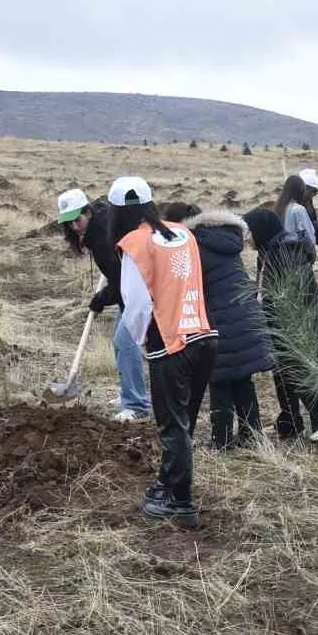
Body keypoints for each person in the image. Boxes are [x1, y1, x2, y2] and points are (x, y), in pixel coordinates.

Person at [108, 177, 219, 525]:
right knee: (182, 424)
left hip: (170, 344)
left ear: (116, 213)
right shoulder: (182, 233)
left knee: (173, 427)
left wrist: (142, 341)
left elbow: (137, 304)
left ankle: (180, 502)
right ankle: (167, 485)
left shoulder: (135, 244)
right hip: (203, 334)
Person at [164, 202, 276, 450]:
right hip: (245, 315)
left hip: (222, 320)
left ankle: (222, 440)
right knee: (242, 378)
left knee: (219, 379)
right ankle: (252, 434)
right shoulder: (223, 237)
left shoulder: (194, 245)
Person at [241, 206, 318, 443]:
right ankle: (290, 422)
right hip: (286, 323)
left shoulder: (284, 254)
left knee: (295, 368)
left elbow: (287, 297)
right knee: (281, 372)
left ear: (262, 230)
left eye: (250, 232)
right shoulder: (273, 250)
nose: (248, 238)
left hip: (296, 323)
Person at [56, 187, 151, 421]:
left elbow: (120, 281)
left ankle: (136, 405)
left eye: (76, 220)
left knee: (125, 341)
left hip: (140, 290)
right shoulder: (99, 225)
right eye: (68, 224)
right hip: (129, 290)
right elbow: (118, 275)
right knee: (121, 343)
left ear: (87, 212)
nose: (74, 227)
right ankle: (130, 392)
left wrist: (102, 299)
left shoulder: (102, 235)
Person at [274, 174, 318, 250]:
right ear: (301, 190)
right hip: (296, 255)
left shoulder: (278, 207)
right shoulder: (298, 210)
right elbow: (310, 236)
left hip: (280, 254)